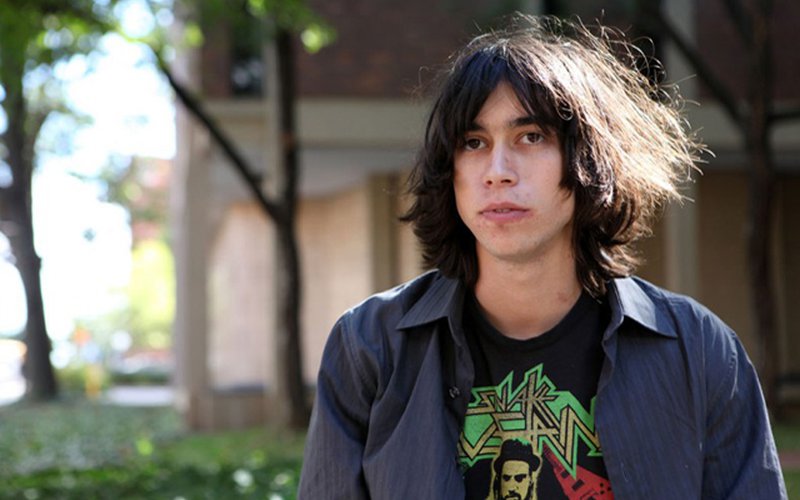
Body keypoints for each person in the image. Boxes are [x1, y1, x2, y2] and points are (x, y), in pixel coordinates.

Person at [298, 14, 786, 499]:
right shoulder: (370, 348)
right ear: (450, 171)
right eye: (473, 142)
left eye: (531, 136)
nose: (498, 171)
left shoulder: (698, 351)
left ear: (589, 160)